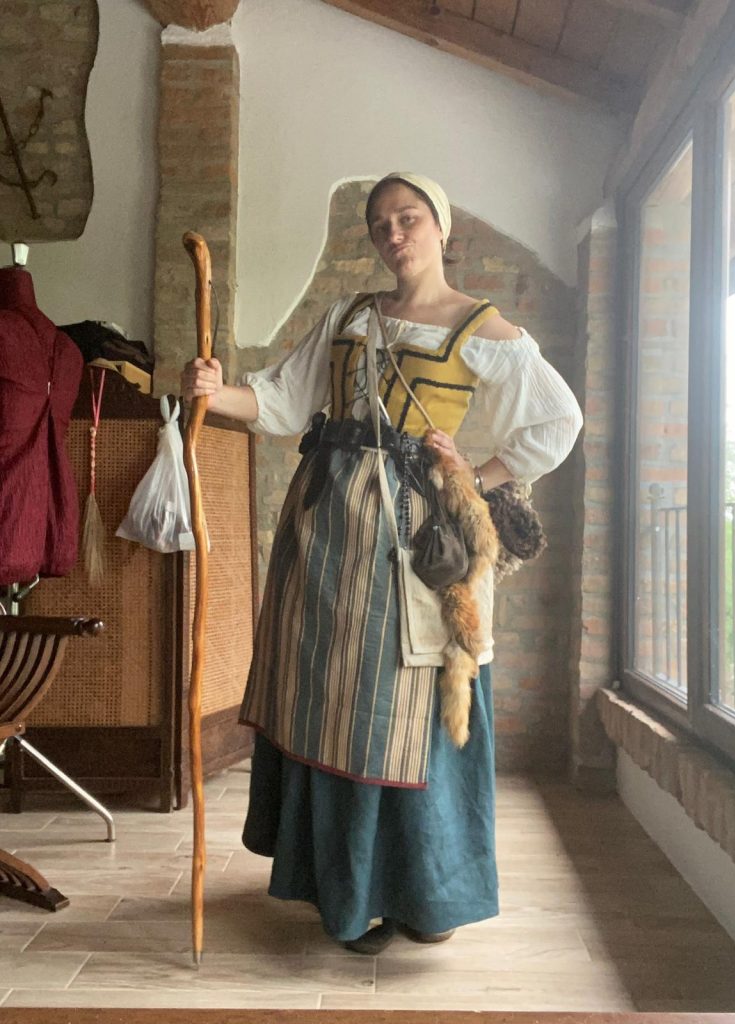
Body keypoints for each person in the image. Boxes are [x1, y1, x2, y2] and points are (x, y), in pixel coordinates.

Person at [181, 172, 583, 954]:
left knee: (404, 701)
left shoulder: (481, 328)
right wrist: (215, 391)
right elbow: (281, 401)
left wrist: (474, 477)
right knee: (328, 698)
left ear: (441, 227)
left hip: (414, 541)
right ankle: (346, 890)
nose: (393, 235)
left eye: (408, 218)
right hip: (324, 531)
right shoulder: (348, 317)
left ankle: (422, 896)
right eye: (380, 224)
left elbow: (556, 420)